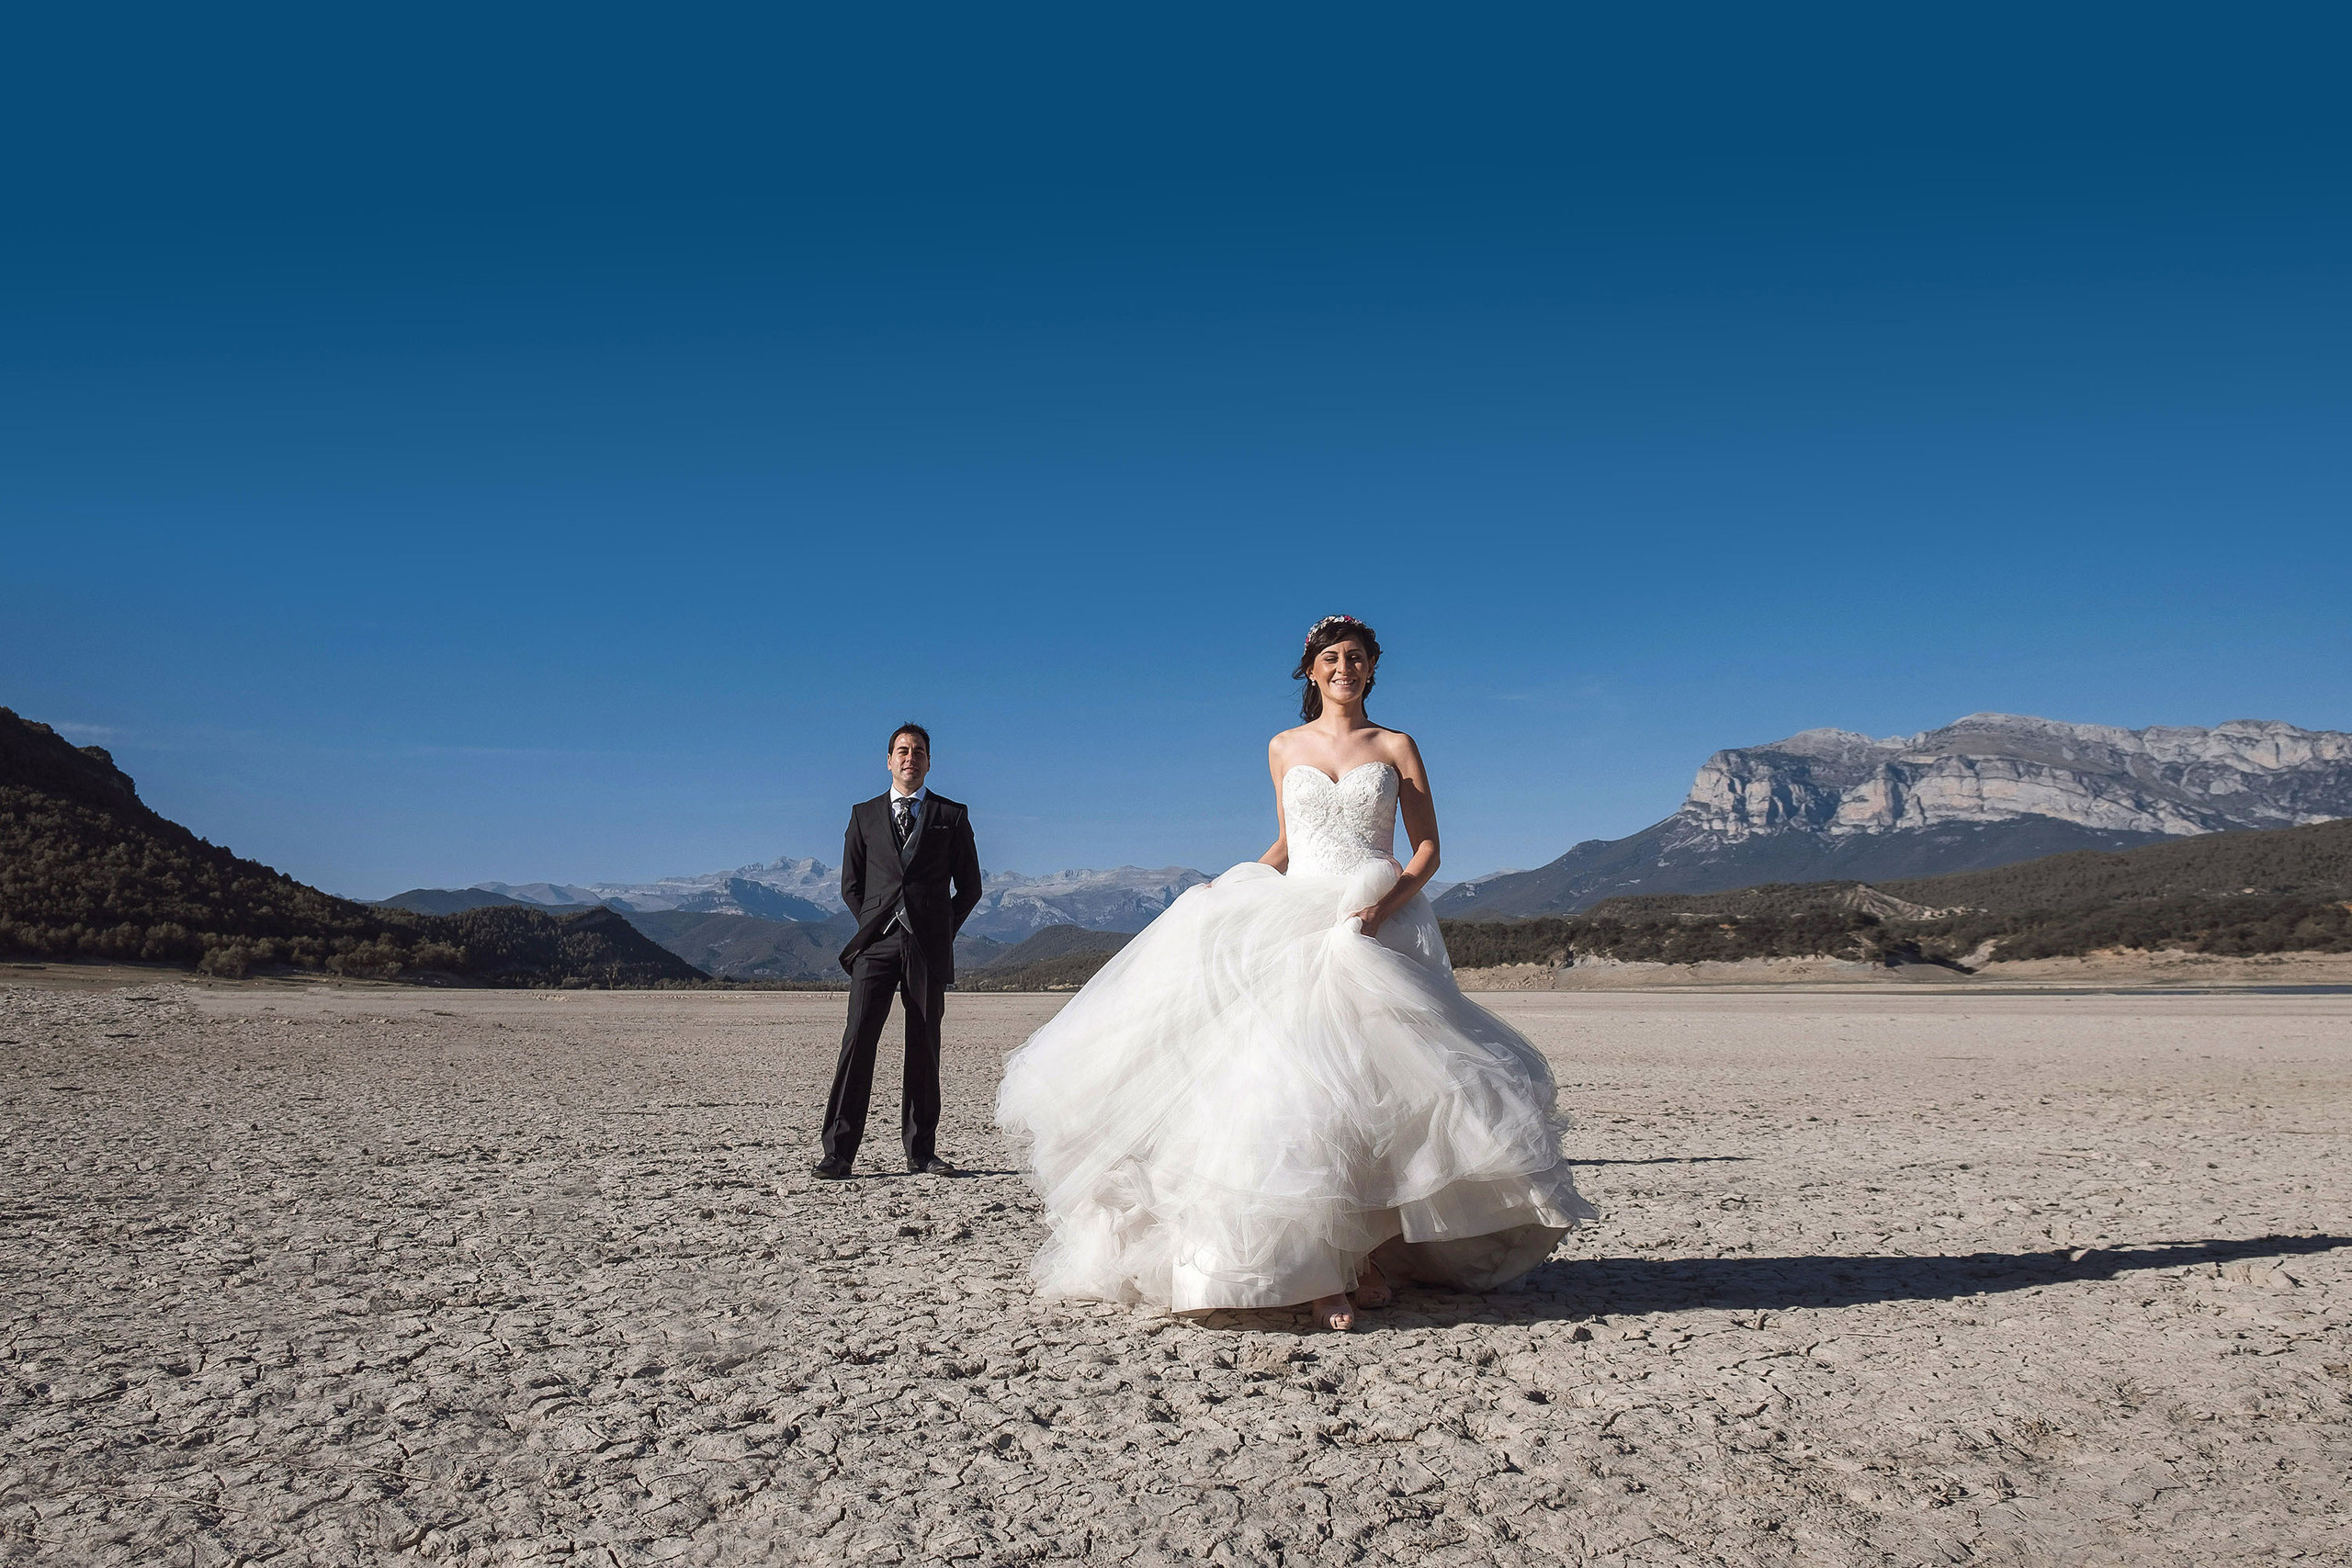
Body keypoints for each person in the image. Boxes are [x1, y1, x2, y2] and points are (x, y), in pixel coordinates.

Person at [996, 616, 1592, 1329]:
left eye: (1357, 658)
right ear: (1311, 671)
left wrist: (1381, 908)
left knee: (1376, 1093)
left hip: (1370, 920)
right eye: (1331, 658)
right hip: (1294, 926)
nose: (1344, 667)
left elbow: (1428, 848)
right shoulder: (1283, 748)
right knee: (1294, 1092)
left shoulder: (1396, 745)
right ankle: (1319, 1272)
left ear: (1372, 670)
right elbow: (1288, 843)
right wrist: (1233, 891)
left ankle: (1365, 1255)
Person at [812, 723, 983, 1179]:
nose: (911, 758)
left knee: (923, 1046)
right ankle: (839, 1153)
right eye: (902, 751)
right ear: (888, 760)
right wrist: (875, 924)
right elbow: (852, 885)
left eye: (919, 751)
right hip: (876, 945)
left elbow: (970, 888)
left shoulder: (952, 815)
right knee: (858, 1041)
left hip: (927, 947)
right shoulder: (863, 815)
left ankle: (922, 1152)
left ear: (929, 762)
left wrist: (940, 929)